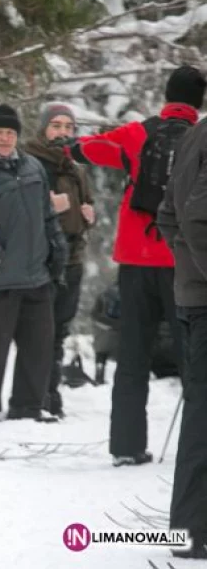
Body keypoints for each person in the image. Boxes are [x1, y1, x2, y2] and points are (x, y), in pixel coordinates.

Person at [65, 65, 205, 465]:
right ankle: (196, 451)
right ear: (199, 102)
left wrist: (71, 145)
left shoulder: (137, 134)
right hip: (186, 262)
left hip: (136, 258)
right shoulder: (202, 139)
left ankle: (127, 446)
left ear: (166, 96)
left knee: (133, 354)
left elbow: (90, 149)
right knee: (193, 359)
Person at [0, 104, 68, 424]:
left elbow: (47, 214)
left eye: (11, 133)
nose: (6, 138)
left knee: (38, 348)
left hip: (37, 275)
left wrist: (57, 248)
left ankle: (27, 408)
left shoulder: (33, 166)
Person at [22, 103, 95, 418]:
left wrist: (88, 214)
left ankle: (51, 395)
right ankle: (35, 397)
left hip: (73, 258)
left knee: (60, 331)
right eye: (56, 125)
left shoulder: (76, 167)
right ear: (43, 129)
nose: (63, 133)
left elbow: (86, 204)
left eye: (69, 127)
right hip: (42, 259)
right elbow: (19, 210)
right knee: (39, 332)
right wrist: (51, 206)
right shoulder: (29, 162)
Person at [156, 117, 207, 560]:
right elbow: (190, 213)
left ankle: (191, 531)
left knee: (200, 414)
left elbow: (168, 213)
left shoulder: (197, 132)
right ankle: (193, 533)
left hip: (194, 295)